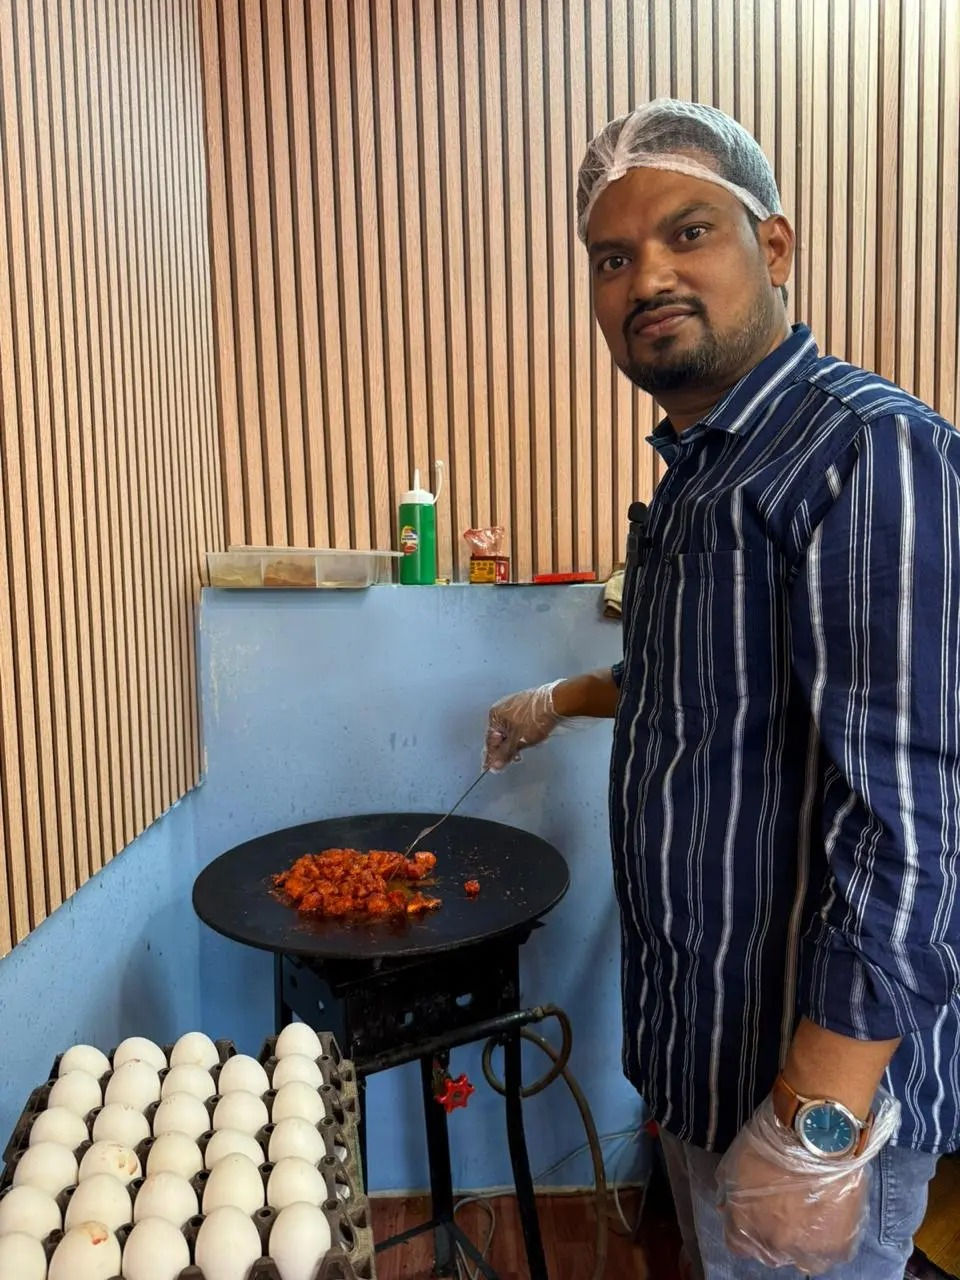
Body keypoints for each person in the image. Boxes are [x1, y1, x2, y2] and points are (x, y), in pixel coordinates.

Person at [483, 99, 960, 1279]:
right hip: (704, 1055)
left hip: (807, 1084)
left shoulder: (863, 449)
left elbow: (914, 812)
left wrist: (817, 1123)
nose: (647, 275)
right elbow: (704, 688)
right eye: (612, 257)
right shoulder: (702, 478)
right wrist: (563, 695)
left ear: (776, 247)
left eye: (687, 232)